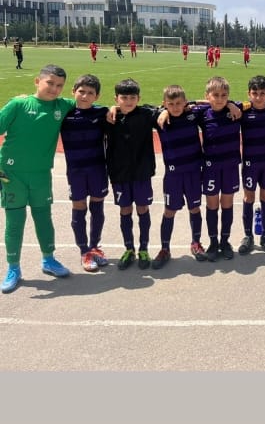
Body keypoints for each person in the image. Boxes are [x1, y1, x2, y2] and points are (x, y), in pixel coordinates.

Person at [0, 65, 75, 293]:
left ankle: (48, 260)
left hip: (41, 174)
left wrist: (112, 108)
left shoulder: (62, 106)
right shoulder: (18, 104)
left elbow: (87, 103)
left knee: (43, 218)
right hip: (12, 174)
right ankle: (13, 268)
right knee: (15, 221)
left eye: (59, 85)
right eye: (50, 83)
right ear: (37, 81)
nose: (54, 88)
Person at [105, 78, 158, 270]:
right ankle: (129, 249)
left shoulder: (146, 114)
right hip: (119, 174)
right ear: (116, 98)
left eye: (132, 98)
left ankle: (144, 249)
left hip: (142, 173)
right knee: (125, 209)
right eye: (124, 98)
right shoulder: (109, 117)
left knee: (142, 208)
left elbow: (173, 105)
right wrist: (111, 109)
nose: (128, 101)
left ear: (139, 98)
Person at [152, 86, 205, 268]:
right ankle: (165, 249)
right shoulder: (159, 119)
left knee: (195, 208)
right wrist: (162, 111)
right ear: (164, 104)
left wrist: (229, 104)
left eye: (179, 103)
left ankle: (196, 243)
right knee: (169, 211)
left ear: (185, 103)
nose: (175, 107)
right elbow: (140, 108)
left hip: (193, 172)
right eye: (171, 104)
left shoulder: (193, 115)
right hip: (173, 175)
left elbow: (212, 103)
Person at [61, 74, 110, 272]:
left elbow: (119, 111)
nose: (85, 96)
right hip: (76, 171)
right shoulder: (64, 113)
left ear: (96, 96)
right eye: (81, 91)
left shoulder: (102, 113)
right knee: (79, 207)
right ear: (73, 92)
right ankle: (84, 251)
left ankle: (95, 246)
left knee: (97, 207)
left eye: (90, 93)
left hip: (97, 169)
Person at [191, 75, 242, 261]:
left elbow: (263, 101)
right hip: (211, 167)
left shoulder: (237, 109)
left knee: (227, 204)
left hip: (230, 166)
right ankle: (213, 242)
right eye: (215, 95)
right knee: (212, 205)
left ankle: (225, 241)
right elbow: (182, 105)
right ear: (207, 96)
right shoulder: (202, 114)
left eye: (224, 95)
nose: (220, 99)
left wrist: (232, 104)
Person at [236, 74, 265, 256]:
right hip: (250, 164)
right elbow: (226, 104)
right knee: (249, 197)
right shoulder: (243, 111)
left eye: (263, 93)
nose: (258, 97)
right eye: (254, 93)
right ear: (249, 94)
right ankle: (248, 236)